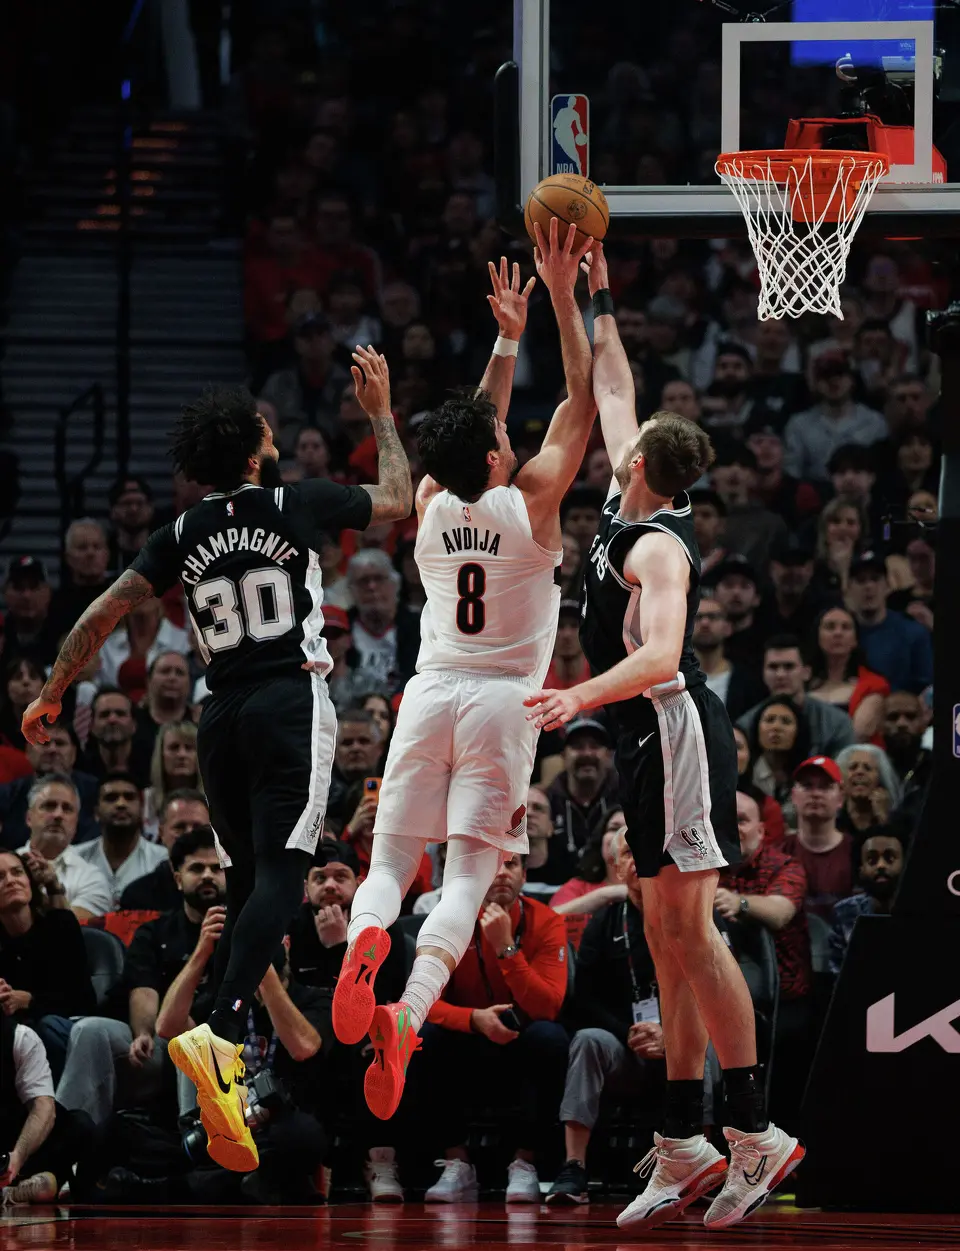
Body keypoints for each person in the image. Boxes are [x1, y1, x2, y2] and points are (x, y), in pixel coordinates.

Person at [22, 365, 412, 1175]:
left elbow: (102, 612)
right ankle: (225, 1036)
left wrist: (55, 690)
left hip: (218, 713)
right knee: (285, 871)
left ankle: (221, 1051)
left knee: (244, 888)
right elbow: (398, 498)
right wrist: (380, 417)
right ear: (259, 444)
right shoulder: (292, 501)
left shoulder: (183, 531)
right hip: (287, 700)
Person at [525, 242, 802, 1232]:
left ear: (640, 464)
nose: (616, 439)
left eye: (625, 441)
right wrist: (586, 285)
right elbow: (613, 374)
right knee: (662, 935)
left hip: (676, 731)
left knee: (692, 931)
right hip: (650, 745)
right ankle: (683, 1139)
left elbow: (668, 659)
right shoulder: (623, 497)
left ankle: (755, 1131)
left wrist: (573, 696)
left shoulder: (656, 547)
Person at [332, 224, 597, 1123]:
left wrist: (504, 339)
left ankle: (368, 941)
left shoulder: (435, 502)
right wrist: (562, 296)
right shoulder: (536, 503)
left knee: (390, 861)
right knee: (463, 887)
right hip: (501, 705)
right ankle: (404, 1018)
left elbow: (468, 431)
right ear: (495, 456)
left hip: (428, 691)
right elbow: (583, 400)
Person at [414, 852, 569, 1204]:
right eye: (492, 863)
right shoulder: (447, 920)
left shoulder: (547, 921)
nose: (501, 872)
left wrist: (506, 949)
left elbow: (548, 1007)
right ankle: (456, 1165)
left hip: (522, 1042)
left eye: (511, 864)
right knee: (424, 1038)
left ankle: (524, 1164)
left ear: (525, 875)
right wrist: (473, 1019)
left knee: (550, 1037)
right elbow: (423, 1001)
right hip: (468, 1040)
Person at [56, 827, 226, 1128]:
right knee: (91, 1030)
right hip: (163, 1040)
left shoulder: (244, 930)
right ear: (177, 879)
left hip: (227, 1047)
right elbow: (142, 988)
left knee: (192, 1039)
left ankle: (197, 1152)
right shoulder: (155, 932)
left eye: (216, 868)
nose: (207, 876)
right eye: (196, 868)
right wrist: (144, 1033)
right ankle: (68, 1142)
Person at [0, 850, 96, 1081]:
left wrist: (29, 1000)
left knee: (44, 1028)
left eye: (17, 872)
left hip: (63, 1027)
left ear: (30, 882)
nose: (11, 880)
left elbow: (83, 1000)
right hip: (14, 1032)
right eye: (0, 877)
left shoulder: (60, 925)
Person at [16, 774, 112, 920]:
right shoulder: (4, 865)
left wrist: (52, 888)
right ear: (29, 818)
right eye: (49, 806)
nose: (58, 814)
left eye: (67, 809)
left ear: (76, 822)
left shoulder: (92, 878)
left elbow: (76, 931)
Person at [75, 773, 168, 906]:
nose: (121, 804)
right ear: (96, 812)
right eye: (111, 798)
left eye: (129, 797)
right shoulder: (77, 858)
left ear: (142, 810)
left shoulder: (162, 860)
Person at [782, 757, 855, 918]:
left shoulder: (855, 851)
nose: (815, 794)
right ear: (794, 795)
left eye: (825, 787)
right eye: (807, 786)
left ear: (841, 797)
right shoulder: (779, 851)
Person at [806, 606, 889, 743]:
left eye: (846, 627)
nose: (838, 633)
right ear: (817, 636)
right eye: (830, 627)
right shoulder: (801, 681)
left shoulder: (874, 685)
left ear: (855, 639)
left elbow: (859, 734)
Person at [829, 828, 906, 974]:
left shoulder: (924, 910)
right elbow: (837, 972)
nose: (881, 865)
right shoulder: (844, 912)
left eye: (890, 858)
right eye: (872, 860)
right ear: (861, 870)